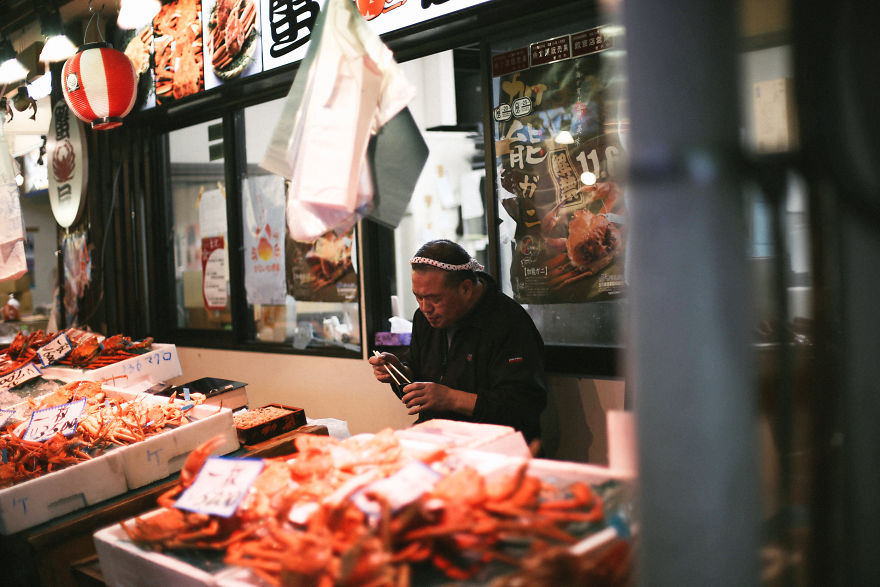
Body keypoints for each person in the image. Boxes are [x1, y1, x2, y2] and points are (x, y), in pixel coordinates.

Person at [369, 239, 547, 443]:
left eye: (435, 298)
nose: (425, 308)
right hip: (440, 439)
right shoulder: (424, 319)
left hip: (494, 447)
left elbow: (523, 407)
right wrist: (399, 372)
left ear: (465, 289)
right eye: (418, 297)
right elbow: (422, 380)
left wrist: (451, 398)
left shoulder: (508, 322)